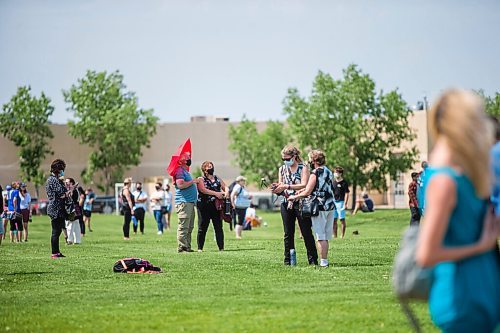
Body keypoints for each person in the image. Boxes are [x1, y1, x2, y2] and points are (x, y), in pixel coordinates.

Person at [415, 89, 500, 332]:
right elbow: (426, 254)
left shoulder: (467, 175)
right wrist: (481, 246)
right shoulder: (444, 181)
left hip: (481, 291)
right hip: (462, 297)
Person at [272, 145, 318, 266]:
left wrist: (287, 186)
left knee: (306, 231)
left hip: (301, 202)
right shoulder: (282, 169)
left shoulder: (303, 168)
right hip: (286, 203)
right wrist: (277, 188)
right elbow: (281, 184)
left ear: (294, 156)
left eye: (287, 159)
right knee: (288, 233)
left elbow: (304, 185)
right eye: (283, 159)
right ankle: (288, 260)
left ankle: (313, 260)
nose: (285, 161)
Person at [288, 150, 335, 268]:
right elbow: (319, 187)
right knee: (325, 236)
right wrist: (301, 191)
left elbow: (308, 191)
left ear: (313, 161)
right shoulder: (329, 171)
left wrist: (294, 196)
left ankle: (324, 262)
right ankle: (324, 259)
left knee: (320, 236)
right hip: (330, 206)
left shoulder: (315, 173)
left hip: (319, 206)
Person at [196, 161, 229, 252]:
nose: (211, 168)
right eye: (209, 166)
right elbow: (203, 190)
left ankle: (221, 248)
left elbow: (225, 187)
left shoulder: (217, 178)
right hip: (204, 205)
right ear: (204, 170)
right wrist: (216, 194)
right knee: (203, 226)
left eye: (212, 166)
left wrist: (226, 193)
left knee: (218, 227)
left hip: (216, 206)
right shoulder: (201, 179)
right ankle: (200, 248)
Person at [173, 152, 199, 252]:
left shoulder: (185, 171)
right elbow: (180, 185)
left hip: (190, 202)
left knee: (190, 226)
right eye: (187, 158)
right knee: (183, 226)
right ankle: (182, 247)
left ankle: (187, 246)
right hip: (184, 203)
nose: (189, 159)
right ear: (182, 161)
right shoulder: (179, 171)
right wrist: (192, 181)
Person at [45, 159, 70, 258]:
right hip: (55, 208)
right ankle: (54, 253)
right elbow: (62, 193)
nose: (63, 171)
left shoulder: (56, 179)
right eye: (62, 169)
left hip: (58, 208)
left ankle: (57, 251)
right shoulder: (53, 180)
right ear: (58, 170)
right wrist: (68, 191)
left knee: (58, 230)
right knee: (55, 231)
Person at [332, 166, 350, 239]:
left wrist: (345, 203)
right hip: (333, 202)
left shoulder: (344, 183)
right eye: (335, 172)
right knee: (334, 220)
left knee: (342, 219)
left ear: (340, 173)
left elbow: (347, 193)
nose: (335, 174)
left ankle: (342, 236)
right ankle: (335, 236)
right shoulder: (333, 182)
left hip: (341, 202)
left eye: (337, 172)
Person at [64, 178, 81, 244]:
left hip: (72, 208)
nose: (66, 183)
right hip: (74, 208)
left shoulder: (73, 190)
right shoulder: (73, 189)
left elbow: (70, 197)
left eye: (67, 182)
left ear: (71, 183)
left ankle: (70, 240)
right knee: (75, 224)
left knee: (70, 224)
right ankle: (77, 240)